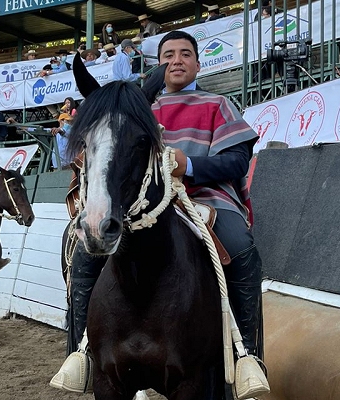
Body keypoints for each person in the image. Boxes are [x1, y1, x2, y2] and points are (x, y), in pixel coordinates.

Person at [56, 30, 267, 390]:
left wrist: (190, 165)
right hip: (143, 204)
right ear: (158, 66)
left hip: (207, 201)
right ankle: (81, 357)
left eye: (185, 54)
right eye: (168, 54)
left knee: (243, 249)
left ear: (198, 63)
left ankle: (247, 356)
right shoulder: (138, 108)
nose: (177, 60)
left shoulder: (219, 104)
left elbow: (237, 160)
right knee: (83, 257)